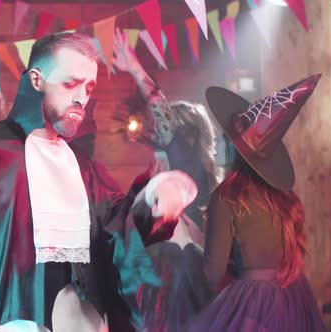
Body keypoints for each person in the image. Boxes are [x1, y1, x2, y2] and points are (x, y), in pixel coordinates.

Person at [0, 32, 194, 332]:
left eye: (89, 87)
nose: (82, 98)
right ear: (36, 80)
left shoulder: (81, 167)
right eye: (71, 84)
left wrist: (154, 201)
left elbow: (118, 228)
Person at [187, 74, 326, 331]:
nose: (215, 142)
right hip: (294, 299)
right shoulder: (283, 197)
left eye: (222, 137)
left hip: (254, 307)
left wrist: (189, 246)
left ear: (235, 149)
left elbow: (212, 274)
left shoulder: (226, 197)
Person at [113, 29, 218, 331]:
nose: (159, 132)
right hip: (179, 273)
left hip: (179, 280)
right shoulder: (184, 169)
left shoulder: (187, 162)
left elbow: (162, 114)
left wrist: (134, 68)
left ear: (186, 136)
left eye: (167, 131)